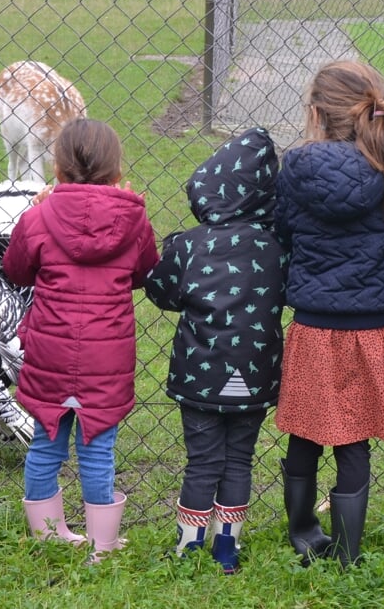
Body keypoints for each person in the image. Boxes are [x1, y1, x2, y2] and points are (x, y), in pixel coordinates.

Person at [274, 60, 384, 568]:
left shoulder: (295, 167)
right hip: (369, 326)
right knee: (354, 433)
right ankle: (347, 550)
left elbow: (284, 228)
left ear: (316, 113)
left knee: (306, 429)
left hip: (313, 322)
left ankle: (302, 534)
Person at [3, 118, 158, 563]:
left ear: (57, 168)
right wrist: (130, 211)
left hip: (49, 350)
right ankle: (101, 545)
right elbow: (145, 274)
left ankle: (46, 534)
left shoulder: (38, 217)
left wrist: (35, 213)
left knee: (45, 442)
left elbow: (15, 270)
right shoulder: (133, 218)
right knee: (98, 449)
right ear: (115, 170)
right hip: (104, 356)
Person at [144, 127, 287, 574]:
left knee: (202, 460)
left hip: (199, 374)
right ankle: (228, 548)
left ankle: (189, 546)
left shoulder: (188, 244)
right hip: (256, 372)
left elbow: (161, 291)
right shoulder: (275, 247)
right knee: (239, 458)